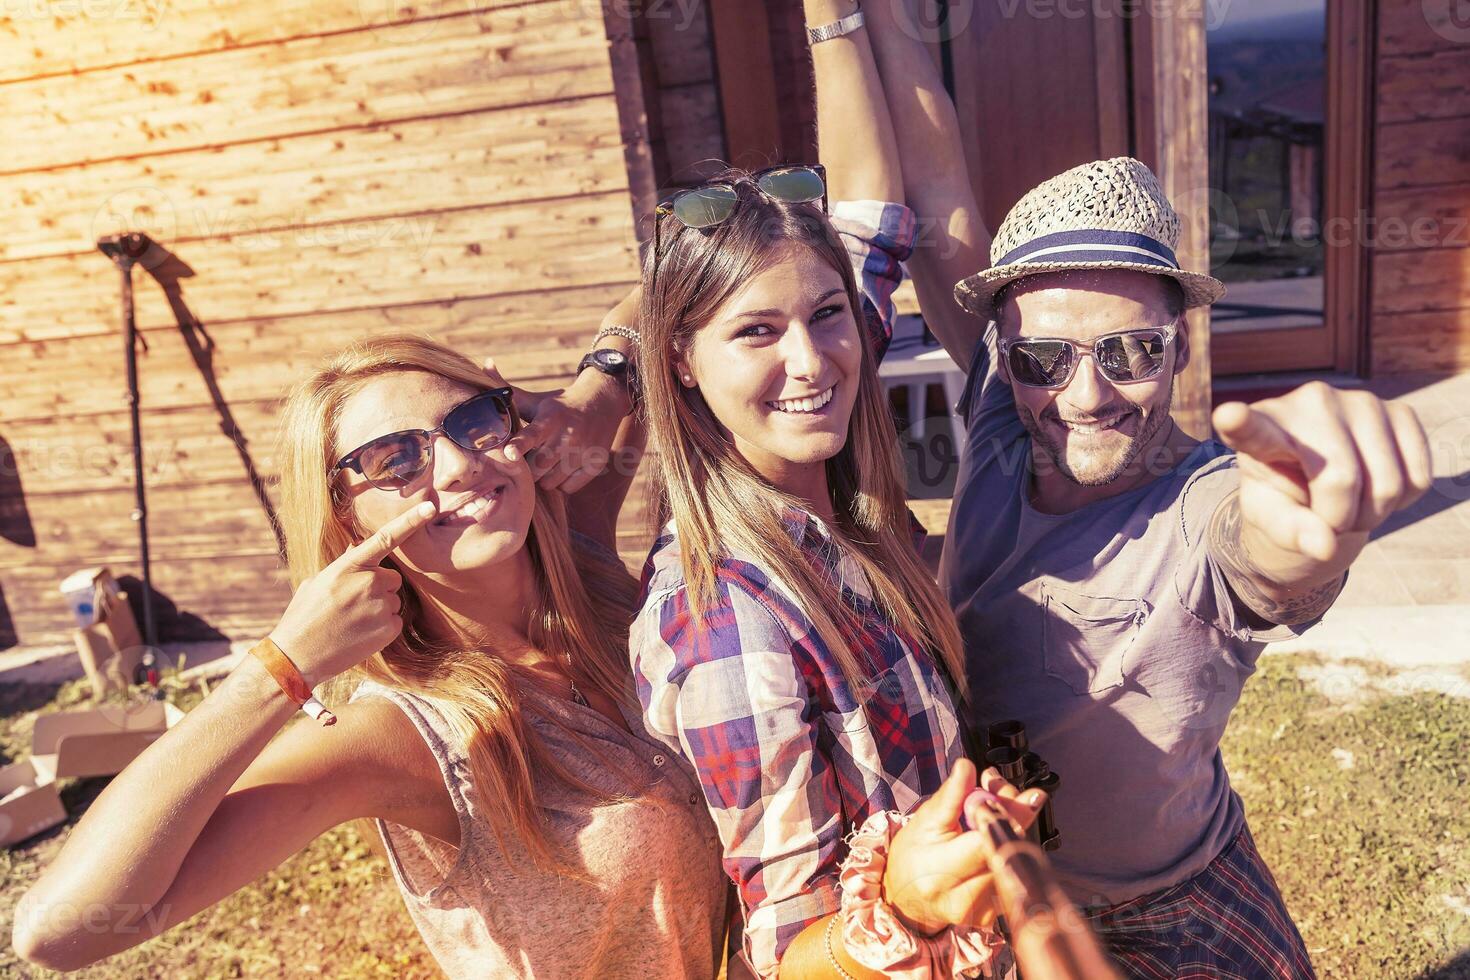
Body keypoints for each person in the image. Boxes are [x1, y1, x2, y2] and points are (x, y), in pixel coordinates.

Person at [855, 5, 1435, 975]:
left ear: (1181, 346)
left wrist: (1313, 541)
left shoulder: (1201, 501)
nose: (1084, 395)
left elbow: (1262, 553)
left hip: (1177, 906)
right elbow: (938, 189)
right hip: (1001, 890)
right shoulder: (1007, 416)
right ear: (1006, 353)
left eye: (1130, 351)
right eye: (1043, 354)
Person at [11, 335, 731, 978]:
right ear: (343, 515)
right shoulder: (403, 739)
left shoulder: (591, 566)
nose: (458, 467)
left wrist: (596, 392)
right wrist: (278, 668)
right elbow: (57, 932)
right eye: (394, 460)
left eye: (473, 423)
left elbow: (663, 293)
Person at [627, 2, 1047, 977]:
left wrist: (836, 16)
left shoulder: (827, 498)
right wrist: (902, 897)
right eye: (756, 332)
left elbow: (868, 212)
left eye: (829, 315)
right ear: (680, 360)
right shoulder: (728, 621)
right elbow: (788, 950)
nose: (812, 359)